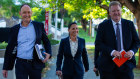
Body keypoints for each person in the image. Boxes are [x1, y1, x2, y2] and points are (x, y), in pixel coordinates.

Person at [2, 4, 51, 79]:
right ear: (20, 13)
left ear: (31, 13)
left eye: (29, 12)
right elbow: (9, 48)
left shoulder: (39, 26)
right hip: (20, 64)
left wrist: (49, 53)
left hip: (35, 64)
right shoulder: (14, 29)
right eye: (24, 12)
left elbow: (46, 41)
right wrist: (5, 67)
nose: (27, 15)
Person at [95, 1, 140, 79]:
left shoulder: (129, 24)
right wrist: (112, 51)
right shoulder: (103, 26)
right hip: (107, 67)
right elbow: (98, 44)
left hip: (126, 65)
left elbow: (137, 42)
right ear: (109, 13)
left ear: (121, 11)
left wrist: (132, 52)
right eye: (113, 11)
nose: (116, 13)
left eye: (118, 10)